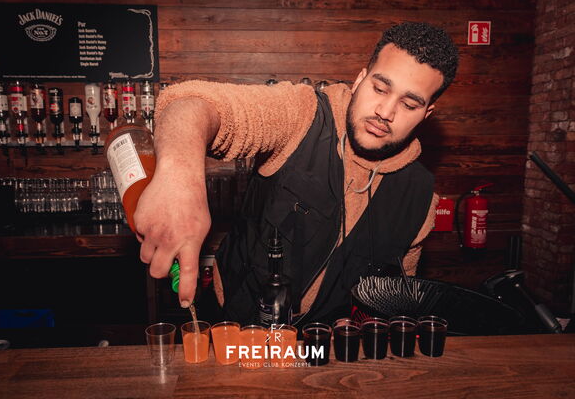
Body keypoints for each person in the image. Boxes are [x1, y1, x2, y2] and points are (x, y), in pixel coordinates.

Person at [134, 22, 459, 326]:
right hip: (233, 325)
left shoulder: (420, 199)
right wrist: (179, 178)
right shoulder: (302, 115)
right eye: (379, 88)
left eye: (409, 104)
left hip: (324, 348)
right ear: (360, 79)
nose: (385, 112)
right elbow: (191, 103)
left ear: (426, 113)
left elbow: (395, 304)